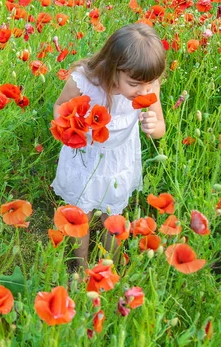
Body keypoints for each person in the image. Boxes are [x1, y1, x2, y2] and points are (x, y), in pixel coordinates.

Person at [51, 23, 166, 270]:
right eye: (134, 83)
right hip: (85, 158)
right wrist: (70, 126)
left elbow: (160, 131)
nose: (143, 91)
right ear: (114, 69)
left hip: (118, 162)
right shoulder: (83, 83)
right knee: (80, 215)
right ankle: (79, 267)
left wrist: (152, 125)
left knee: (113, 219)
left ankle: (106, 267)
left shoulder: (148, 86)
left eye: (149, 83)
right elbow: (59, 108)